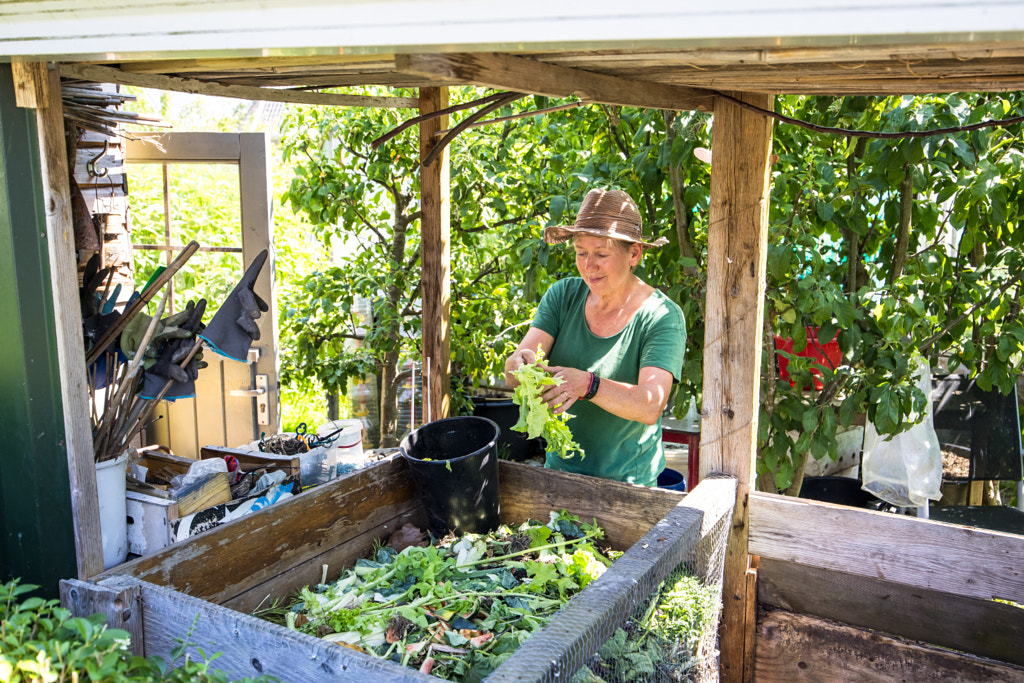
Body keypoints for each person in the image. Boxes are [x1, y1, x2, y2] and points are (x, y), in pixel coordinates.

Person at [504, 188, 686, 487]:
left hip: (629, 487)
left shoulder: (662, 316)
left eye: (601, 254)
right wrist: (519, 364)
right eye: (580, 253)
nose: (589, 265)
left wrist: (587, 384)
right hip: (558, 477)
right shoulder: (563, 296)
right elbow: (513, 374)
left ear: (635, 253)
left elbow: (649, 406)